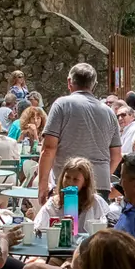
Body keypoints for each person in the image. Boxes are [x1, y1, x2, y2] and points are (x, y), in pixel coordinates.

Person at [39, 62, 121, 199]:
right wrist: (100, 175)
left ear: (69, 82)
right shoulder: (109, 113)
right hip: (100, 183)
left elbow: (48, 148)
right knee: (94, 221)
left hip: (68, 182)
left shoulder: (62, 105)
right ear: (94, 85)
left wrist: (42, 186)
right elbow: (117, 156)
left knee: (69, 220)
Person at [34, 155, 114, 233]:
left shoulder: (95, 202)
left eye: (75, 179)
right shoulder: (53, 204)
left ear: (85, 182)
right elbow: (39, 227)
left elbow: (104, 228)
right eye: (67, 177)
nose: (69, 182)